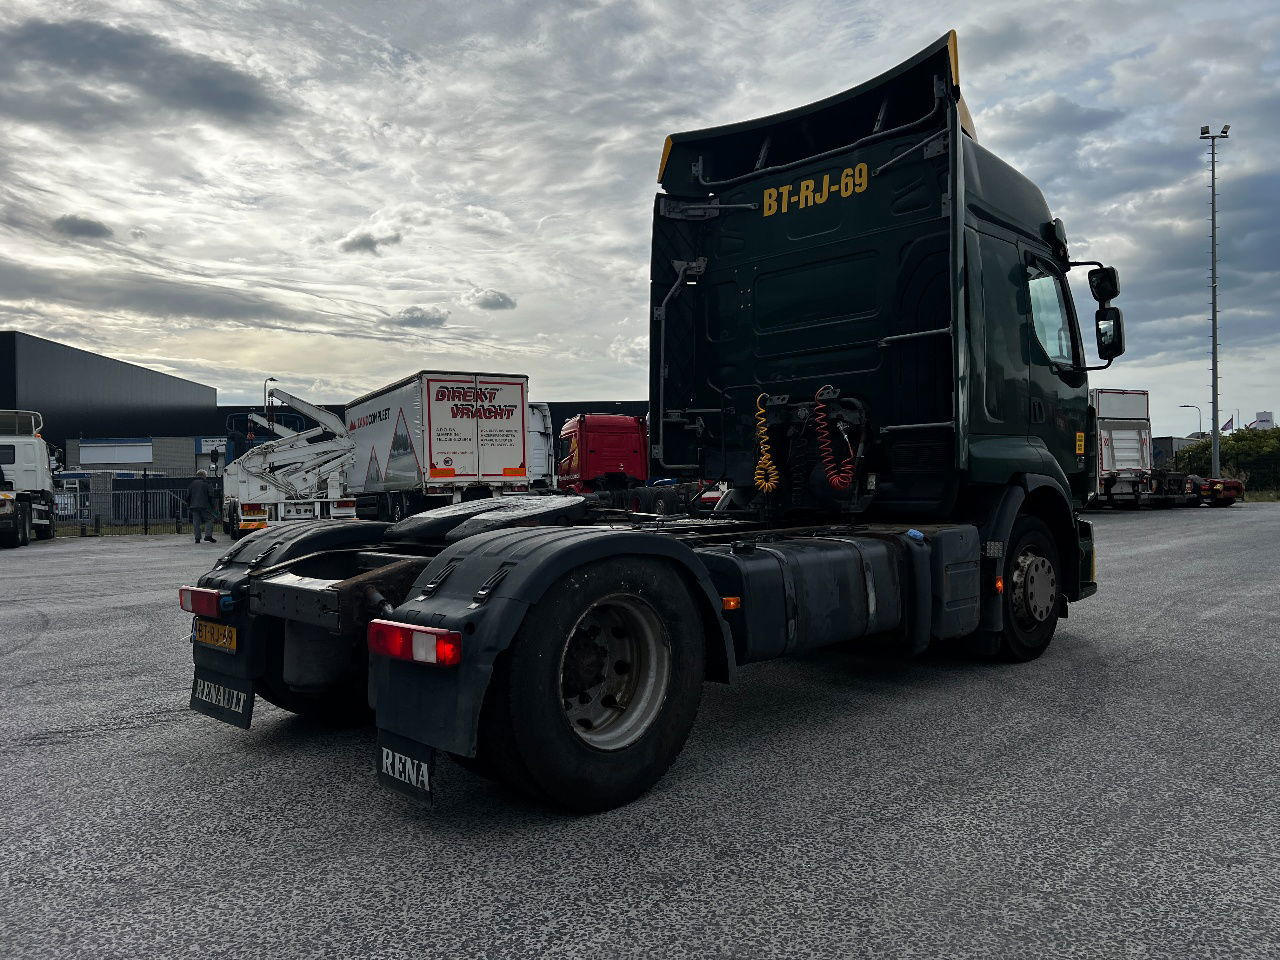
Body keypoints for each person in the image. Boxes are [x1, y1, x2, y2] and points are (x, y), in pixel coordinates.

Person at [187, 469, 218, 544]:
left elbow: (188, 496)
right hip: (205, 506)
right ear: (204, 476)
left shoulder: (192, 484)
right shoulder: (207, 483)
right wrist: (213, 506)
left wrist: (189, 505)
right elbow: (211, 495)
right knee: (209, 519)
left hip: (194, 506)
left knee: (196, 522)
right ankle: (208, 535)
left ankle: (197, 538)